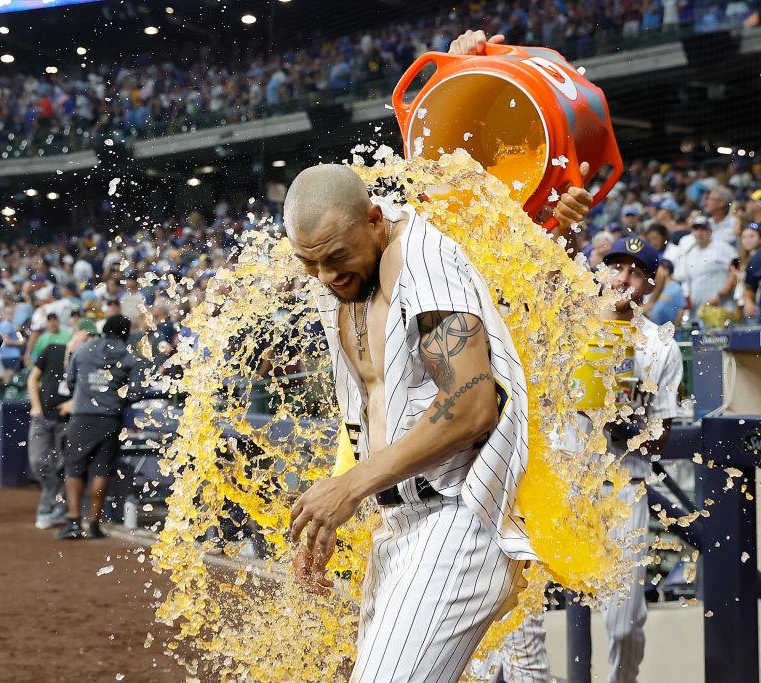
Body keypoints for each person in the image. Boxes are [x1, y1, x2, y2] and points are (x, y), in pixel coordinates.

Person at [282, 162, 592, 682]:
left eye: (336, 257)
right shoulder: (345, 278)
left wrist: (350, 488)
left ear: (374, 220)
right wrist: (334, 508)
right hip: (400, 523)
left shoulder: (424, 261)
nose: (326, 276)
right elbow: (375, 408)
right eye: (309, 263)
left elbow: (471, 405)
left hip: (460, 516)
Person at [495, 237, 682, 683]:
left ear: (649, 286)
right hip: (562, 482)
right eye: (616, 267)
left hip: (621, 488)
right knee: (517, 594)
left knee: (624, 621)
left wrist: (630, 423)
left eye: (636, 272)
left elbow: (661, 439)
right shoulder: (569, 323)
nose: (623, 278)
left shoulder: (660, 346)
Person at [56, 314, 145, 540]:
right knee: (101, 470)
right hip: (109, 419)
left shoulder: (83, 351)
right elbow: (136, 393)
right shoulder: (129, 356)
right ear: (125, 333)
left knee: (74, 468)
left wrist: (87, 395)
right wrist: (115, 399)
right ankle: (95, 524)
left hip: (82, 417)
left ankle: (74, 521)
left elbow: (70, 382)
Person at [27, 318, 96, 530]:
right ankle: (57, 501)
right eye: (87, 336)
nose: (89, 341)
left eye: (93, 338)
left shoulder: (87, 360)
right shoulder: (53, 349)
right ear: (78, 332)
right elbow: (32, 378)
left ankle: (51, 508)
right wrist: (36, 405)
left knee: (61, 466)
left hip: (67, 421)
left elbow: (89, 390)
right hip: (43, 417)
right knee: (38, 461)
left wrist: (74, 403)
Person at [674, 216, 737, 321]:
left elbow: (735, 273)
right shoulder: (690, 252)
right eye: (696, 229)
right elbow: (688, 283)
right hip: (697, 313)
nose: (699, 232)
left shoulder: (723, 247)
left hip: (721, 308)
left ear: (710, 231)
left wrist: (720, 295)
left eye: (703, 229)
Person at [710, 223, 761, 312]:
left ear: (760, 239)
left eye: (752, 236)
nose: (747, 240)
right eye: (744, 237)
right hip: (742, 304)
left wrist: (739, 275)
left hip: (755, 304)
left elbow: (756, 280)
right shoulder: (743, 259)